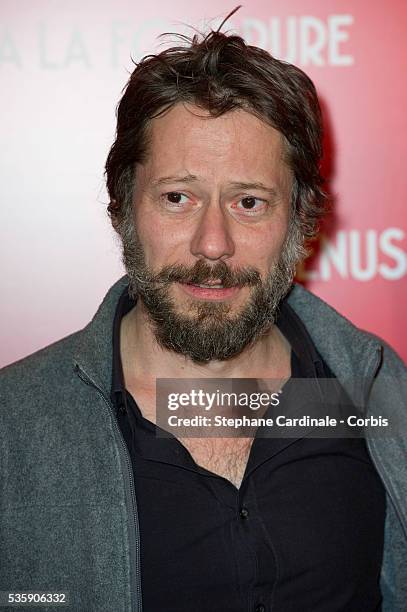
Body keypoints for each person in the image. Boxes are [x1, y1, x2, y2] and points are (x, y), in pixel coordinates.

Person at [1, 14, 406, 612]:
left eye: (249, 202)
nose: (211, 244)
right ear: (122, 207)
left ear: (298, 222)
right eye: (177, 197)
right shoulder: (15, 428)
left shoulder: (374, 392)